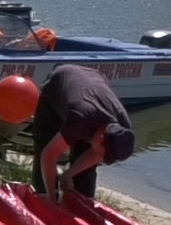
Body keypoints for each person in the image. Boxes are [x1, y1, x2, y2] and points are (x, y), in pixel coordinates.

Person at [30, 64, 137, 203]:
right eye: (102, 153)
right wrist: (51, 197)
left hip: (92, 84)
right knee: (44, 145)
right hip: (57, 88)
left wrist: (68, 175)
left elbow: (97, 154)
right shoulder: (79, 119)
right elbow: (48, 155)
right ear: (100, 138)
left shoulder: (123, 127)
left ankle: (80, 202)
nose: (100, 158)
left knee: (84, 172)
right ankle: (42, 196)